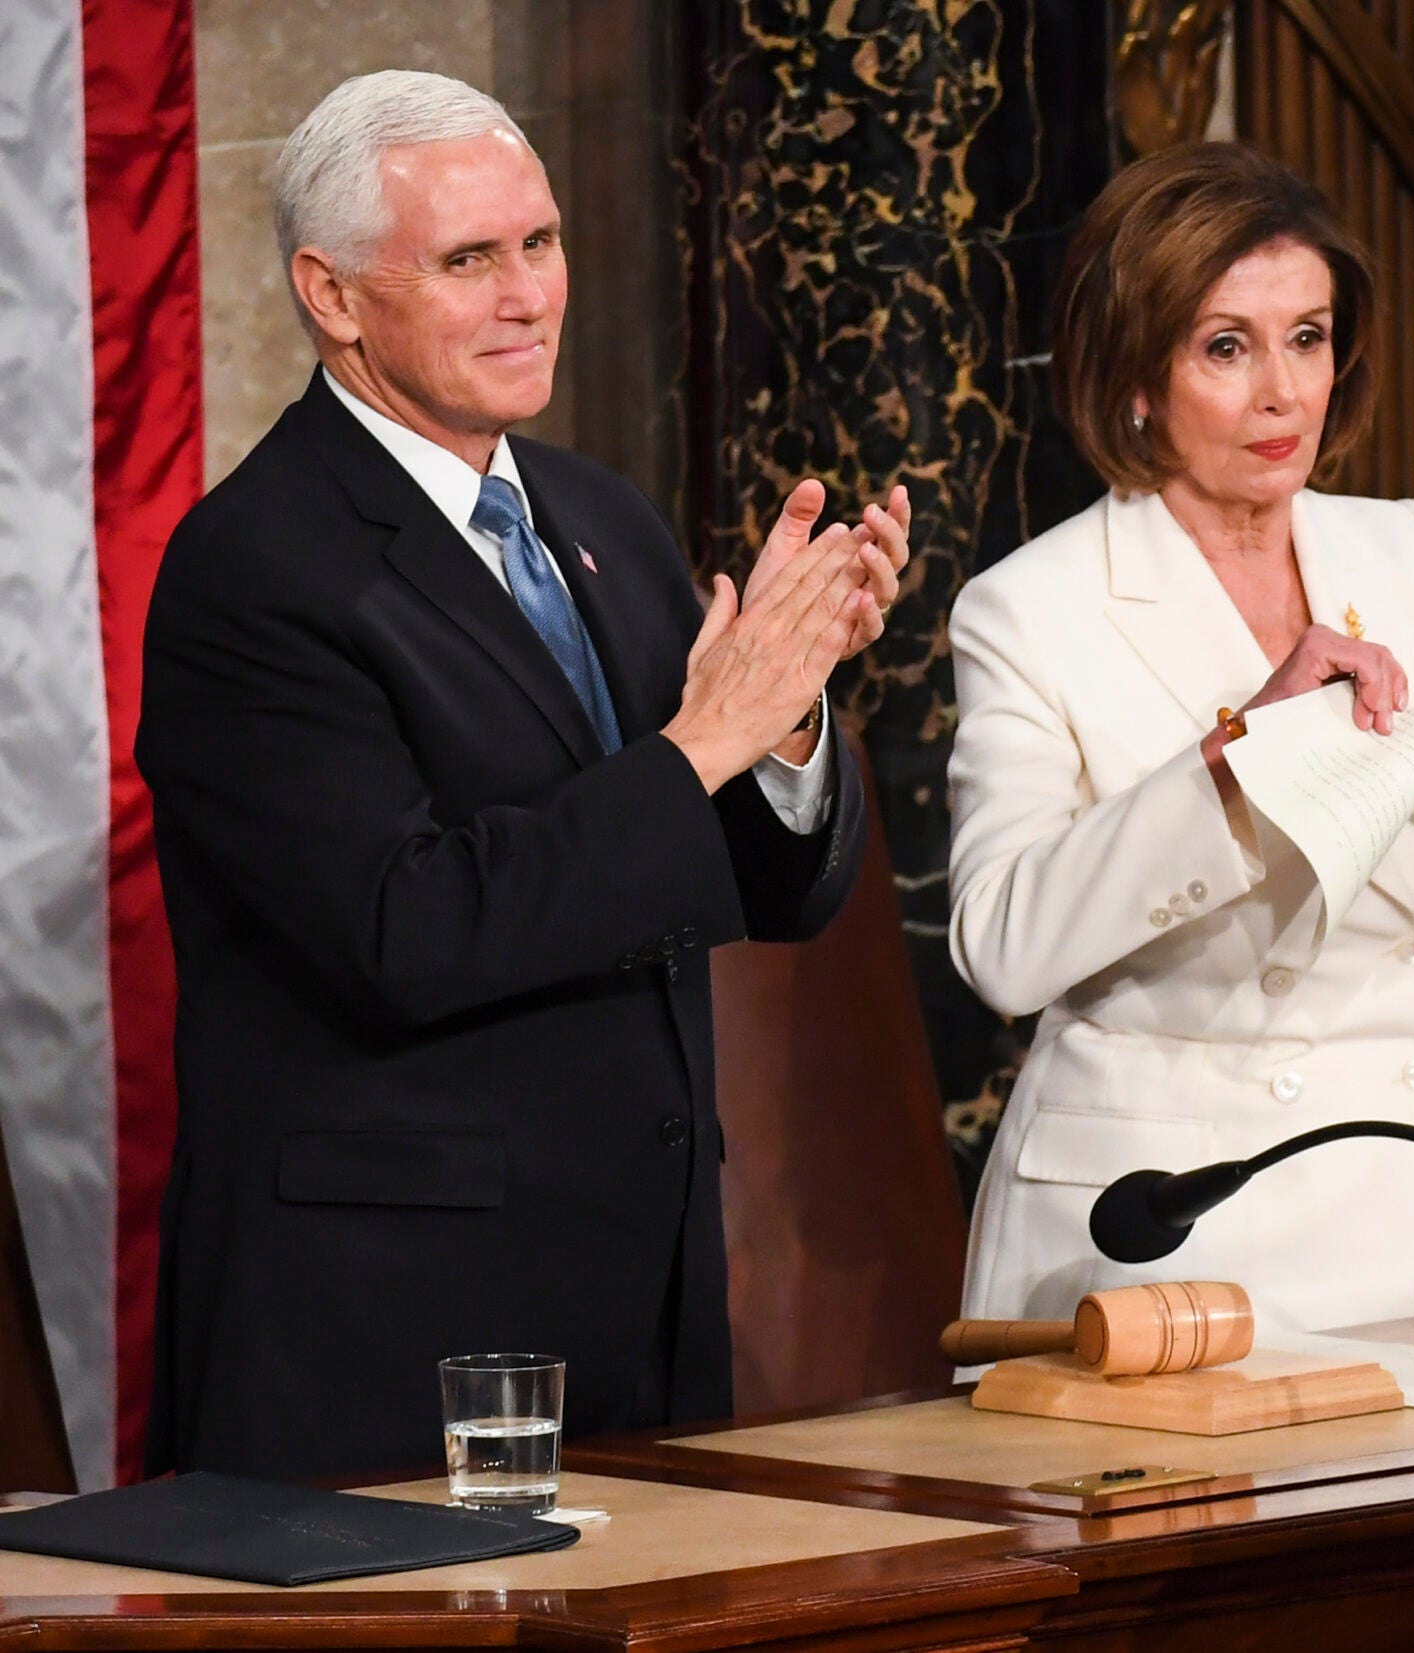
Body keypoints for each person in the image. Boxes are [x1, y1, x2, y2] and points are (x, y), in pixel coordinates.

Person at [137, 71, 909, 1479]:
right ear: (332, 294)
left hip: (641, 1324)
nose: (528, 295)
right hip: (389, 1347)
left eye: (541, 244)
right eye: (469, 260)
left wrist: (788, 723)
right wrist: (702, 742)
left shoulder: (597, 514)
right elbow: (408, 930)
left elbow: (755, 886)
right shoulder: (253, 571)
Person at [944, 143, 1414, 1331]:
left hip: (1412, 1196)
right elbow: (1001, 945)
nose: (1283, 392)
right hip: (1161, 1230)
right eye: (1226, 347)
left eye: (1309, 337)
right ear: (1136, 374)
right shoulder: (1031, 606)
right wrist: (1239, 757)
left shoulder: (1410, 552)